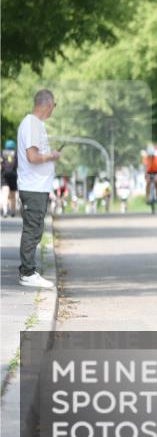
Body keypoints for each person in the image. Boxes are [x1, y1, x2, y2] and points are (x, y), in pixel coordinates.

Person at [16, 90, 60, 289]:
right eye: (54, 106)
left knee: (35, 229)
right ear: (47, 105)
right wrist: (50, 156)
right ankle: (27, 273)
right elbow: (32, 157)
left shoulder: (34, 124)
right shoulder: (32, 123)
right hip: (32, 187)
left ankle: (29, 270)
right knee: (32, 230)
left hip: (37, 187)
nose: (53, 110)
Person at [2, 139, 18, 217]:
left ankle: (5, 211)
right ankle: (13, 211)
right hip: (13, 176)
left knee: (5, 194)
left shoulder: (2, 153)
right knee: (13, 194)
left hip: (4, 176)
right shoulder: (15, 154)